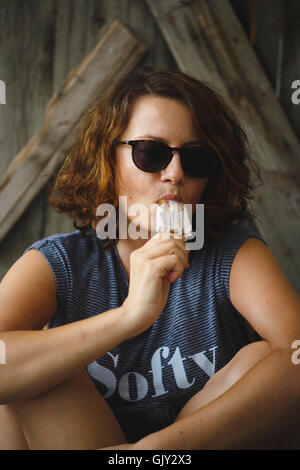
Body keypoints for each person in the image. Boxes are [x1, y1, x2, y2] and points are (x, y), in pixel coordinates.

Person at [0, 67, 300, 450]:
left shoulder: (233, 256)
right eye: (151, 153)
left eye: (196, 158)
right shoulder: (59, 263)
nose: (175, 174)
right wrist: (128, 317)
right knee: (42, 368)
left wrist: (147, 454)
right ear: (106, 158)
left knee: (263, 357)